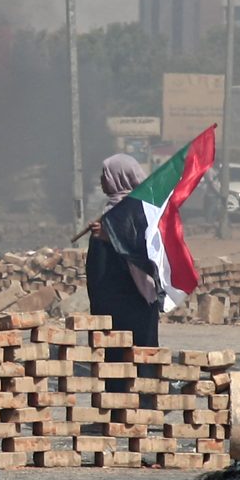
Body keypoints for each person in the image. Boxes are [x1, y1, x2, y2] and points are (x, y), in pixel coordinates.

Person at [86, 155, 159, 377]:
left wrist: (110, 236)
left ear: (120, 177)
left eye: (105, 175)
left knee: (138, 355)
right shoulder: (113, 209)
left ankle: (145, 402)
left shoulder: (140, 208)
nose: (101, 180)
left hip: (133, 296)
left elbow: (144, 248)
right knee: (115, 358)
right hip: (112, 299)